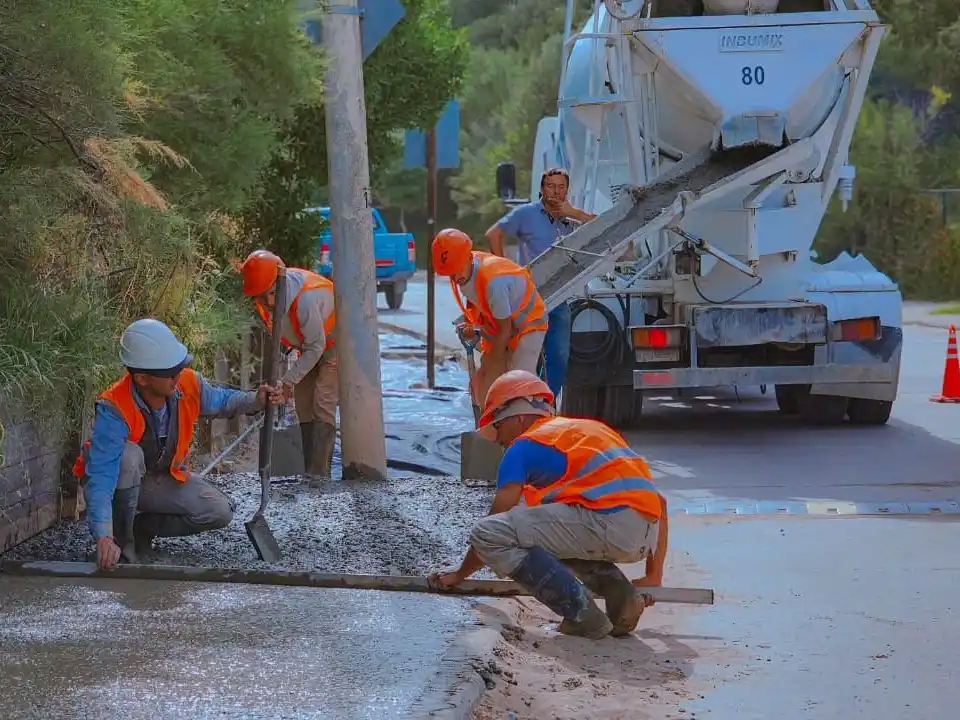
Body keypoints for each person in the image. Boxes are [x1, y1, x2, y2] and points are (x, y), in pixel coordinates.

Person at [428, 369, 669, 640]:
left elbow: (493, 526)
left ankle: (581, 616)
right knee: (544, 537)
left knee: (488, 532)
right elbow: (660, 502)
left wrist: (459, 575)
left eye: (497, 427)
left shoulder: (523, 445)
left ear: (516, 418)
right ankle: (622, 601)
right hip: (645, 532)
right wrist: (653, 575)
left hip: (605, 523)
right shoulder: (587, 431)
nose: (499, 441)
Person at [72, 318, 283, 570]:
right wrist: (103, 537)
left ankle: (143, 529)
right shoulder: (115, 407)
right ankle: (122, 545)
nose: (177, 375)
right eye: (169, 372)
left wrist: (256, 400)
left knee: (218, 510)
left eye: (178, 368)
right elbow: (102, 477)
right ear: (142, 379)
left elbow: (224, 400)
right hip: (120, 480)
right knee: (128, 457)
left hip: (158, 480)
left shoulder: (186, 384)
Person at [485, 168, 597, 400]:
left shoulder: (571, 216)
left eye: (561, 187)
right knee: (526, 356)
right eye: (550, 186)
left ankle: (545, 403)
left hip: (560, 295)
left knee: (559, 355)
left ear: (567, 190)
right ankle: (522, 402)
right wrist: (504, 270)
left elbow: (603, 228)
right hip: (529, 297)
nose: (555, 191)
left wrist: (574, 212)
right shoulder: (527, 213)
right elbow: (493, 234)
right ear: (541, 189)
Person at [239, 249, 338, 484]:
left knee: (322, 401)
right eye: (263, 297)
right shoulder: (264, 302)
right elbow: (284, 339)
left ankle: (319, 475)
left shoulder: (304, 300)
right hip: (308, 345)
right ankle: (307, 469)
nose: (269, 302)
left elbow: (317, 346)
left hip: (334, 343)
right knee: (303, 404)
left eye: (272, 294)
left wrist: (287, 381)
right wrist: (284, 382)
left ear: (280, 283)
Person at [432, 228, 548, 406]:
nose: (455, 277)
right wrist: (475, 329)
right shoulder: (464, 272)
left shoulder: (494, 282)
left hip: (528, 325)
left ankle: (527, 423)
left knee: (519, 382)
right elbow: (486, 315)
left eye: (456, 270)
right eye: (450, 273)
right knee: (485, 382)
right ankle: (495, 423)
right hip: (504, 324)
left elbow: (504, 331)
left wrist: (490, 371)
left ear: (468, 257)